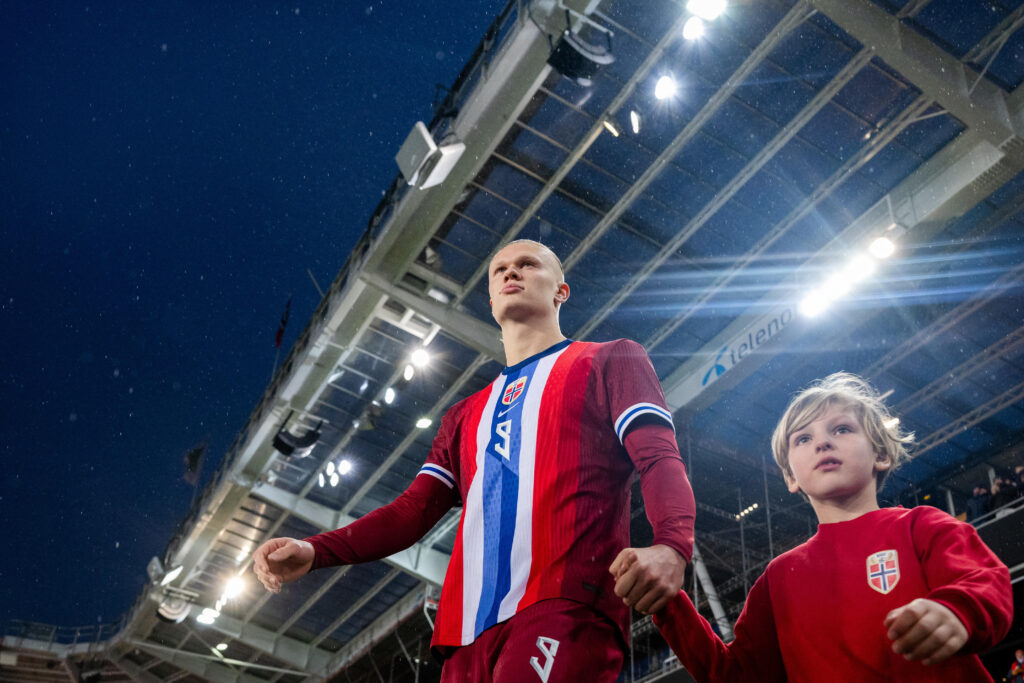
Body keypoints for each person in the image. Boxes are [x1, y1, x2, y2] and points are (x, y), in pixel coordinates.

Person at [253, 239, 696, 682]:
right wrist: (316, 550)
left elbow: (658, 458)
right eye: (500, 269)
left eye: (527, 265)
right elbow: (412, 511)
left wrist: (672, 546)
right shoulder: (462, 416)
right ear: (489, 300)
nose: (511, 273)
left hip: (565, 608)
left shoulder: (610, 358)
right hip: (464, 636)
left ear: (561, 291)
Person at [616, 373, 1013, 682]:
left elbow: (988, 583)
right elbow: (737, 677)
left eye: (841, 429)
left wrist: (957, 612)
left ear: (879, 454)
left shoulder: (923, 525)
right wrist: (667, 605)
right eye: (803, 438)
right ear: (791, 477)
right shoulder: (778, 579)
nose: (822, 443)